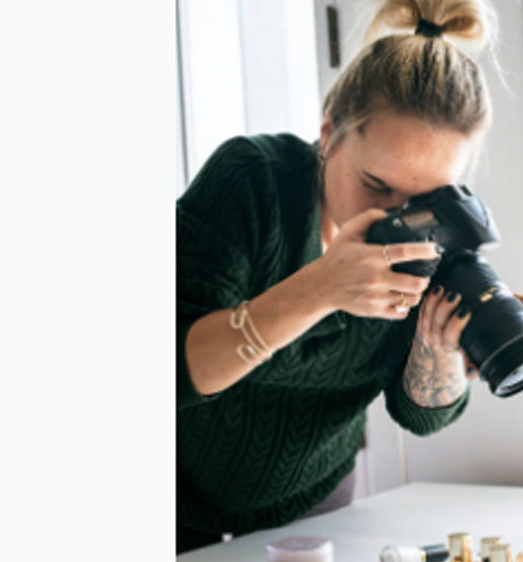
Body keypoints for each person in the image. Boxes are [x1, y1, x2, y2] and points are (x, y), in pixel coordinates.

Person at [176, 0, 499, 553]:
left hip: (315, 507)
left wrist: (437, 348)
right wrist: (322, 287)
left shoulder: (440, 235)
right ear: (328, 134)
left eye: (424, 199)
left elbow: (421, 416)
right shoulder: (253, 183)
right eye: (376, 185)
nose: (401, 219)